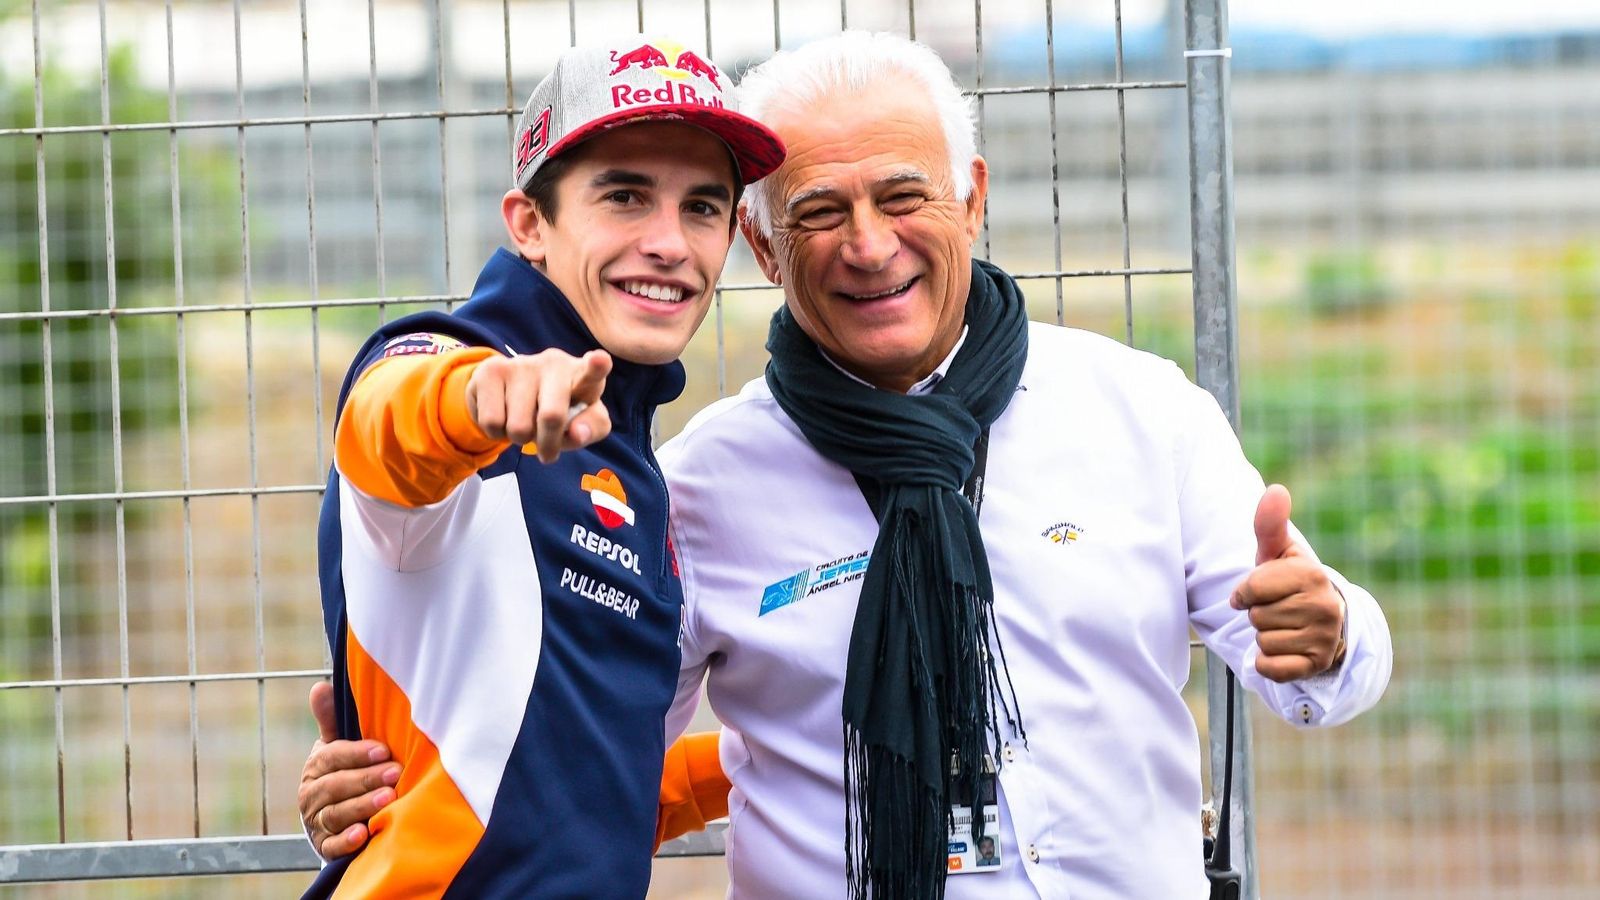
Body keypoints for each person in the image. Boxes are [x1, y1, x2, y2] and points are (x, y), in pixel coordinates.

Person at [302, 31, 1392, 899]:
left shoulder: (1139, 410)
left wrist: (1334, 631)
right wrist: (416, 780)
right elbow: (398, 415)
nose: (868, 245)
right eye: (819, 212)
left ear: (970, 197)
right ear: (768, 251)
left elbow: (1319, 686)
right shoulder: (695, 479)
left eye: (903, 195)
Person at [302, 33, 782, 899]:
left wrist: (787, 751)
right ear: (529, 223)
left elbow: (576, 789)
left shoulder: (630, 456)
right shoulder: (455, 372)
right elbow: (382, 424)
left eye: (703, 207)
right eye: (626, 196)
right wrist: (485, 398)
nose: (671, 242)